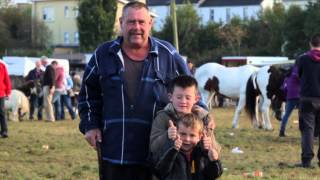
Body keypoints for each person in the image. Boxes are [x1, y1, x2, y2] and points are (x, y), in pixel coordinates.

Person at [78, 2, 195, 179]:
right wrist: (90, 125)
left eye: (141, 22)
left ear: (150, 24)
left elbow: (191, 92)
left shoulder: (167, 54)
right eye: (131, 22)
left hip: (157, 154)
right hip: (115, 152)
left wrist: (204, 118)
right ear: (121, 22)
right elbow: (88, 94)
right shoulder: (103, 55)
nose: (137, 27)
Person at [151, 113, 222, 180]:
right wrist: (173, 151)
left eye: (192, 135)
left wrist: (214, 161)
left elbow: (214, 175)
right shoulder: (169, 149)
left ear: (200, 137)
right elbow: (160, 173)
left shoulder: (202, 153)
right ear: (176, 132)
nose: (187, 139)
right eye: (183, 134)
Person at [296, 33, 320, 168]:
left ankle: (306, 160)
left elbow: (298, 75)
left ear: (311, 44)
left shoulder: (303, 59)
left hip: (307, 99)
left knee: (307, 130)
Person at [279, 64, 300, 137]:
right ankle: (303, 131)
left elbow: (283, 88)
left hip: (290, 97)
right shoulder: (298, 70)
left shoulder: (287, 76)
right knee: (302, 115)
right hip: (300, 96)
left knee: (286, 115)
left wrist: (286, 96)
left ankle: (282, 131)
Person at [0, 59, 11, 138]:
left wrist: (8, 92)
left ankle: (4, 131)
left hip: (1, 93)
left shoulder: (2, 66)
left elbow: (6, 80)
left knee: (2, 112)